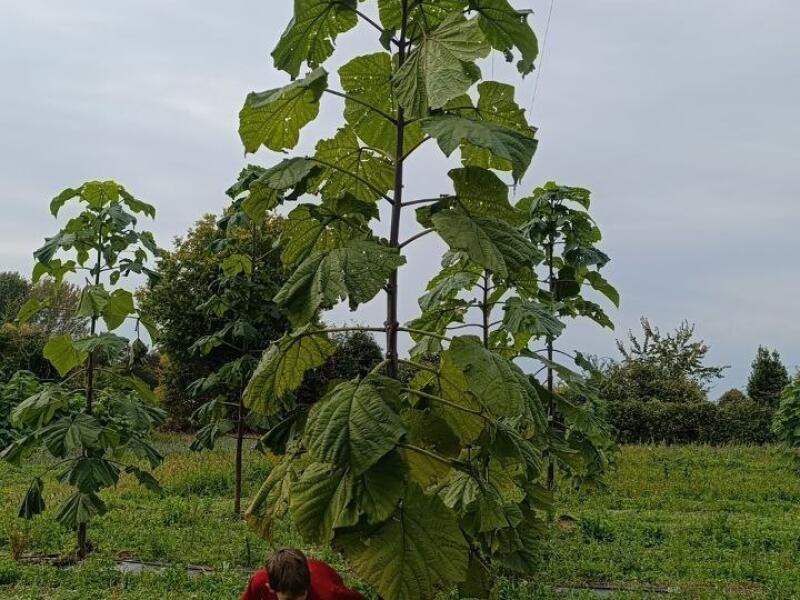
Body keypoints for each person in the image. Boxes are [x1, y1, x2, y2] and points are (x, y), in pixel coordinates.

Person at [240, 548, 367, 600]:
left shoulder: (330, 592)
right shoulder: (259, 582)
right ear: (271, 588)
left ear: (308, 584)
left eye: (301, 596)